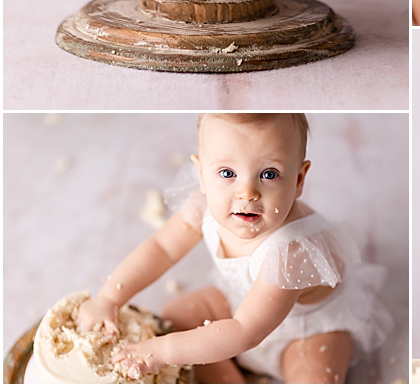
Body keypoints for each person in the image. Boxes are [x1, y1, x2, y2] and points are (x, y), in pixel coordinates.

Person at [77, 113, 391, 384]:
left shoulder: (291, 252)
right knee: (176, 316)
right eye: (227, 173)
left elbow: (245, 331)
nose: (247, 192)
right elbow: (161, 247)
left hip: (304, 329)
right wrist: (109, 297)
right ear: (201, 175)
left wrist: (163, 351)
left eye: (269, 174)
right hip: (236, 301)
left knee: (314, 379)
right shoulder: (202, 205)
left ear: (298, 180)